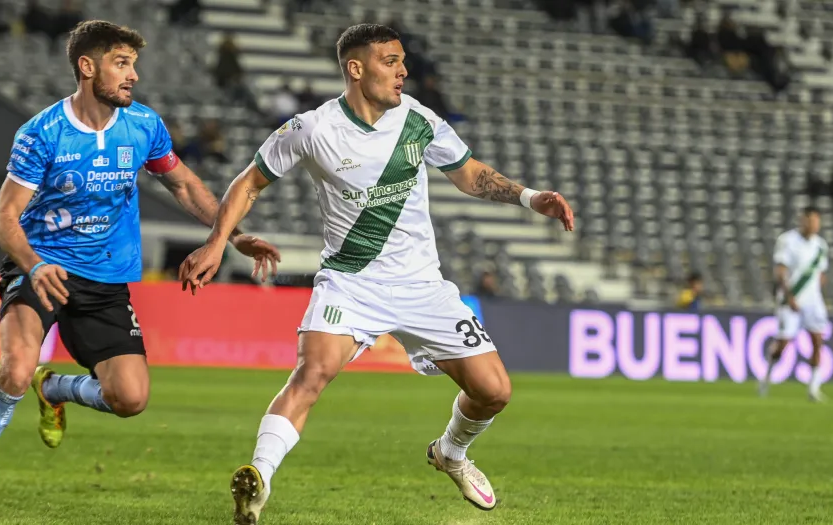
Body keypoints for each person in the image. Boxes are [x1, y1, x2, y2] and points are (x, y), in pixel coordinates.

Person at [178, 23, 575, 525]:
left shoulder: (418, 119)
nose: (403, 71)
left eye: (402, 61)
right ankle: (259, 479)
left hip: (422, 286)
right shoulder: (312, 128)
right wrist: (218, 242)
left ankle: (450, 452)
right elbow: (248, 182)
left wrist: (531, 198)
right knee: (311, 374)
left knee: (494, 391)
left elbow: (470, 173)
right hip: (351, 283)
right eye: (391, 61)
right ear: (356, 68)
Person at [0, 20, 281, 517]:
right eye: (121, 64)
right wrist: (33, 265)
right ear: (87, 67)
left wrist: (232, 236)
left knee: (130, 398)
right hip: (41, 269)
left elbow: (184, 185)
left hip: (105, 278)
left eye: (133, 64)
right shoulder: (42, 133)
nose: (133, 75)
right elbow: (4, 217)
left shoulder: (142, 125)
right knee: (13, 370)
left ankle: (53, 387)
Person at [760, 206, 829, 402]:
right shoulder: (788, 240)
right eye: (811, 220)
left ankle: (813, 388)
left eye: (817, 221)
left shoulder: (821, 245)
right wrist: (789, 296)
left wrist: (817, 289)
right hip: (791, 299)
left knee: (818, 341)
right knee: (783, 343)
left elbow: (820, 273)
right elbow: (781, 271)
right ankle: (766, 376)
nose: (814, 224)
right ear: (803, 220)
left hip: (813, 301)